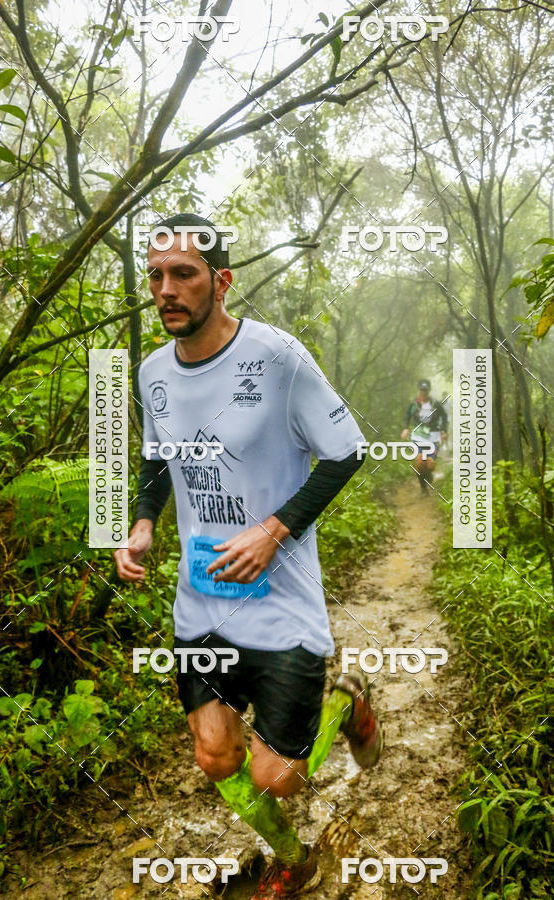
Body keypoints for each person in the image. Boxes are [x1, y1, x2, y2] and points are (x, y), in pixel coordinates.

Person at [114, 213, 382, 898]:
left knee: (277, 776)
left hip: (281, 603)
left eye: (184, 274)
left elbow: (347, 451)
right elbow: (156, 459)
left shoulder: (278, 357)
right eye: (156, 276)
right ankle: (293, 857)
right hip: (202, 601)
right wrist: (143, 523)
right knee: (215, 756)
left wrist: (273, 530)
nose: (166, 290)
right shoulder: (152, 373)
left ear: (222, 281)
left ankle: (347, 703)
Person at [401, 379, 448, 493]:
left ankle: (428, 477)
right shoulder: (414, 404)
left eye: (425, 390)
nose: (423, 392)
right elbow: (407, 415)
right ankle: (423, 488)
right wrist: (406, 428)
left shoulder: (435, 404)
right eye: (422, 390)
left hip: (433, 437)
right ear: (419, 390)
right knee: (419, 463)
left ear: (429, 390)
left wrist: (443, 430)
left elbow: (444, 416)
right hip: (418, 437)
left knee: (430, 464)